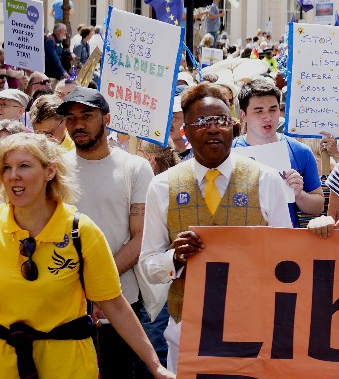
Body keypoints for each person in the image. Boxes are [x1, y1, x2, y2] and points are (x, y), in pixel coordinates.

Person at [137, 83, 292, 372]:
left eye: (220, 120)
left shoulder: (266, 180)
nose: (212, 129)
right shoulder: (162, 186)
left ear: (233, 126)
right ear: (185, 130)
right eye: (201, 122)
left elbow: (287, 256)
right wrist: (175, 258)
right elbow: (148, 266)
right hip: (187, 334)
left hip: (253, 331)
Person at [0, 133, 173, 379]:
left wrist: (156, 366)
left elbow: (115, 305)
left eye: (24, 166)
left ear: (50, 171)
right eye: (6, 167)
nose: (13, 175)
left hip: (69, 368)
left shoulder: (81, 231)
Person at [57, 87, 163, 376]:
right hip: (64, 301)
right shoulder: (55, 170)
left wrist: (98, 287)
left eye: (86, 116)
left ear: (106, 119)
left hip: (120, 302)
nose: (77, 124)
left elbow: (140, 237)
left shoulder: (136, 168)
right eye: (70, 118)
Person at [232, 77, 324, 227]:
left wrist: (299, 195)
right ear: (243, 115)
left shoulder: (300, 152)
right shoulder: (229, 152)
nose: (268, 117)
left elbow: (318, 206)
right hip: (241, 237)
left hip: (284, 238)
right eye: (259, 111)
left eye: (273, 109)